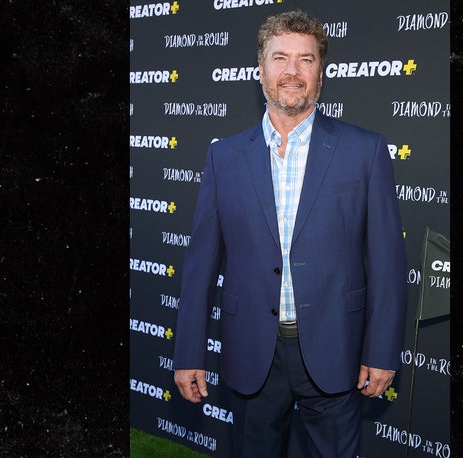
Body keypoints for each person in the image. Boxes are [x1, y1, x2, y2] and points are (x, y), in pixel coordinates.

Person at [173, 10, 407, 458]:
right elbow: (200, 267)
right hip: (250, 353)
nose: (293, 71)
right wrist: (188, 354)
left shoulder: (365, 150)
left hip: (336, 349)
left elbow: (387, 262)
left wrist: (381, 351)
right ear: (261, 69)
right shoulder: (223, 157)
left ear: (321, 71)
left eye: (306, 59)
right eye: (280, 58)